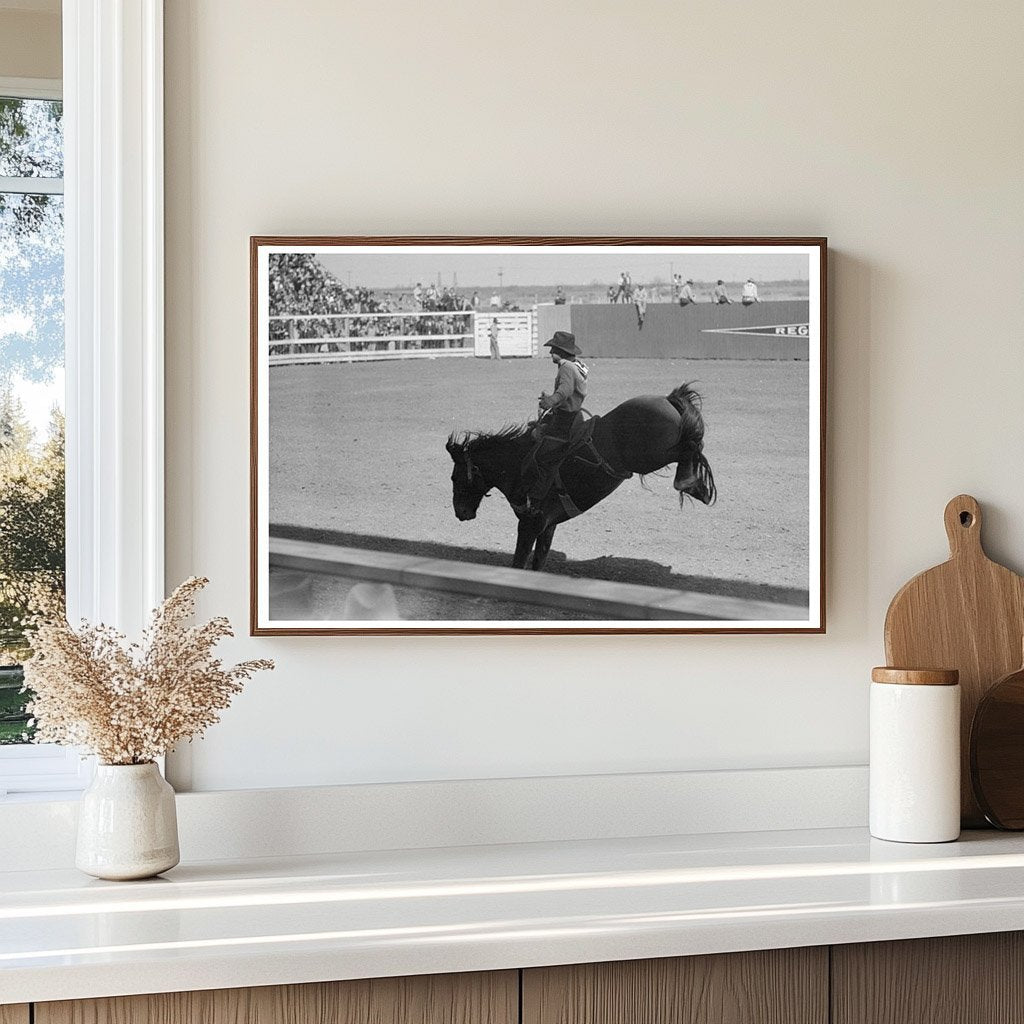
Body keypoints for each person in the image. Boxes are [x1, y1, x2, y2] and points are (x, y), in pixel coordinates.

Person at [520, 331, 589, 512]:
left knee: (543, 457)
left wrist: (550, 401)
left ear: (561, 351)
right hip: (572, 414)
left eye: (553, 349)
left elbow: (566, 390)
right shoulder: (576, 365)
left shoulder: (566, 367)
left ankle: (536, 499)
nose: (550, 353)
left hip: (565, 419)